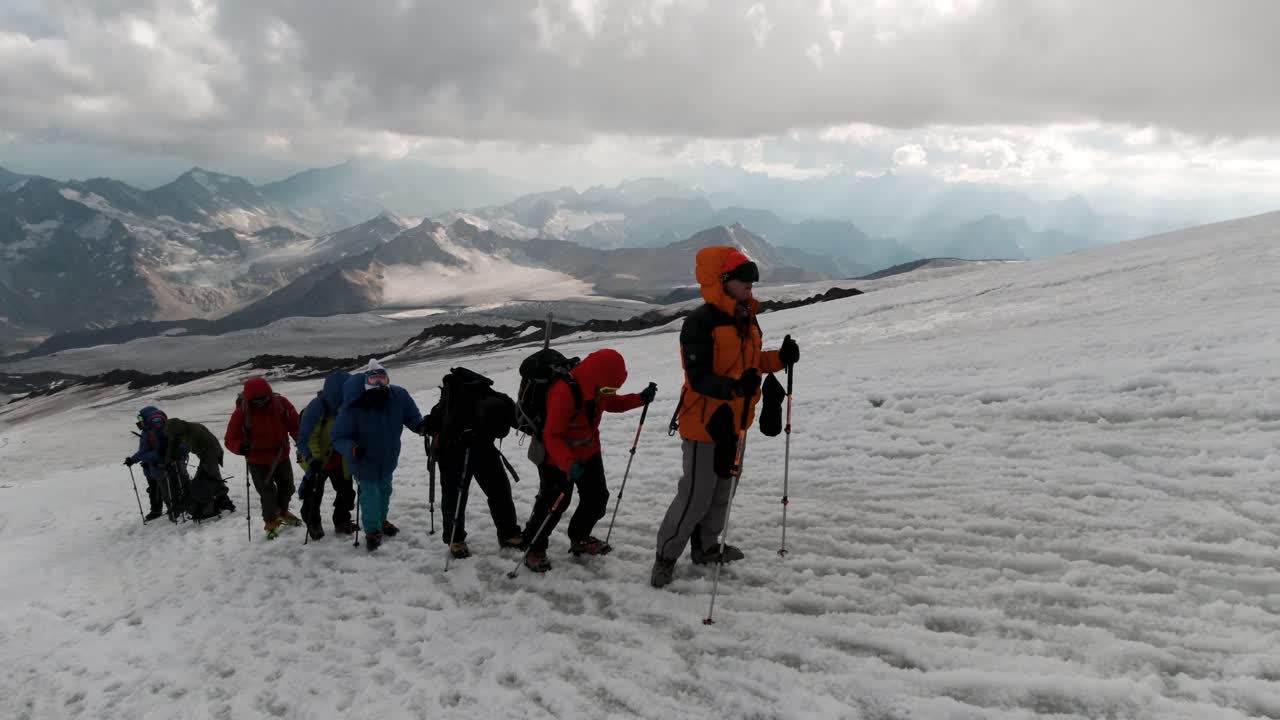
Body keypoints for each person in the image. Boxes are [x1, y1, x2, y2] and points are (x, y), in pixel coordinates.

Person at [651, 247, 800, 588]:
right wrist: (734, 388)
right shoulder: (700, 323)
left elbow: (750, 364)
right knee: (696, 494)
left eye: (752, 278)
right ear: (722, 282)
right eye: (743, 278)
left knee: (723, 490)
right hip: (705, 423)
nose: (751, 284)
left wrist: (780, 358)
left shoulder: (748, 316)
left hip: (737, 421)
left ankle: (705, 548)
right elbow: (698, 376)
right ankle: (666, 556)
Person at [520, 348, 655, 572]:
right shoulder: (564, 392)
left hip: (589, 451)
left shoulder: (597, 388)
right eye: (607, 388)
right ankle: (534, 547)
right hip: (557, 458)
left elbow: (612, 403)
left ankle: (579, 537)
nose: (608, 393)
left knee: (597, 498)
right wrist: (568, 464)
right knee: (554, 504)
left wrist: (639, 399)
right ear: (596, 378)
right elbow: (551, 436)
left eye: (613, 389)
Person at [422, 367, 524, 560]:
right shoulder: (487, 398)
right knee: (498, 491)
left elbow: (434, 422)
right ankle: (508, 534)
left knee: (456, 496)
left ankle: (456, 540)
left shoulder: (455, 400)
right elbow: (518, 421)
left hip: (462, 451)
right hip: (469, 451)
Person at [330, 360, 425, 552]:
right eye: (374, 379)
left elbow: (412, 417)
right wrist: (352, 449)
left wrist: (422, 427)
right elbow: (339, 437)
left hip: (388, 457)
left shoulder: (398, 396)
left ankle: (382, 520)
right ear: (367, 382)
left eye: (382, 378)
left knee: (385, 490)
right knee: (370, 495)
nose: (379, 383)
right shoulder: (354, 405)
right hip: (364, 460)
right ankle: (373, 530)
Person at [224, 377, 302, 539]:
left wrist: (302, 443)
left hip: (280, 455)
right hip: (256, 459)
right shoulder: (242, 412)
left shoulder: (281, 404)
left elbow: (294, 425)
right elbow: (231, 439)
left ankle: (280, 511)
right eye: (255, 401)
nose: (260, 403)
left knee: (288, 487)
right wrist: (240, 447)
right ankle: (270, 521)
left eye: (263, 399)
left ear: (269, 394)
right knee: (267, 493)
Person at [296, 371, 357, 540]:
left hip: (341, 460)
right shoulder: (317, 407)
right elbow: (307, 437)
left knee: (346, 492)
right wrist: (313, 459)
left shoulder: (350, 407)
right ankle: (313, 522)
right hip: (318, 459)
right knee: (313, 493)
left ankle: (342, 520)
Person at [123, 406, 187, 521]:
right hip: (167, 466)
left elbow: (144, 453)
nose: (140, 420)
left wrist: (162, 455)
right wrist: (134, 460)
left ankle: (178, 510)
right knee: (174, 487)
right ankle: (180, 509)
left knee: (173, 488)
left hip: (164, 467)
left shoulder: (152, 432)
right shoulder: (152, 431)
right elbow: (144, 453)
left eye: (141, 418)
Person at [164, 417, 235, 519]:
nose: (176, 436)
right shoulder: (178, 430)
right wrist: (168, 460)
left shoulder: (195, 431)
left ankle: (223, 502)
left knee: (211, 478)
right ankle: (219, 501)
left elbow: (210, 447)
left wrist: (205, 464)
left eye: (176, 435)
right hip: (203, 454)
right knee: (210, 478)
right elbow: (172, 444)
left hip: (211, 453)